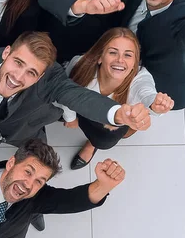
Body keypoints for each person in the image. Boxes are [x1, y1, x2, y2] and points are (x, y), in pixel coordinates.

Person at [0, 31, 151, 153]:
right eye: (18, 62)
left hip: (25, 132)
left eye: (31, 72)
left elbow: (79, 97)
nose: (18, 77)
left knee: (40, 160)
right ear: (7, 53)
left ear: (41, 76)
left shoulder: (51, 78)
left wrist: (116, 113)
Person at [58, 27, 173, 170]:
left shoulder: (140, 78)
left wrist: (154, 104)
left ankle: (92, 144)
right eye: (113, 52)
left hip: (107, 122)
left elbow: (146, 93)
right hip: (78, 107)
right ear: (100, 57)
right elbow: (65, 93)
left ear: (134, 63)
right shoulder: (80, 65)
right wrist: (70, 118)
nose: (120, 60)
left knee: (105, 140)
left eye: (128, 55)